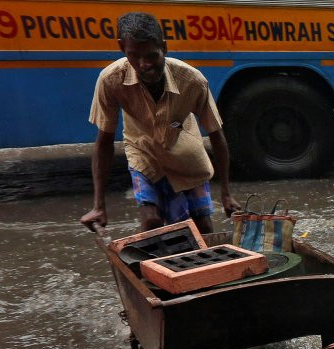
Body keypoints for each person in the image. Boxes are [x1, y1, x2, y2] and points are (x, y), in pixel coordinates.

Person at [80, 12, 238, 234]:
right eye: (134, 56)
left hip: (184, 152)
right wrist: (98, 205)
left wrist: (226, 193)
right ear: (121, 48)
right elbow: (103, 142)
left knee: (202, 228)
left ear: (164, 48)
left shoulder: (192, 81)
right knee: (151, 222)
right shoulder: (111, 80)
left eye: (152, 56)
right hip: (142, 151)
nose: (144, 65)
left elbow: (216, 136)